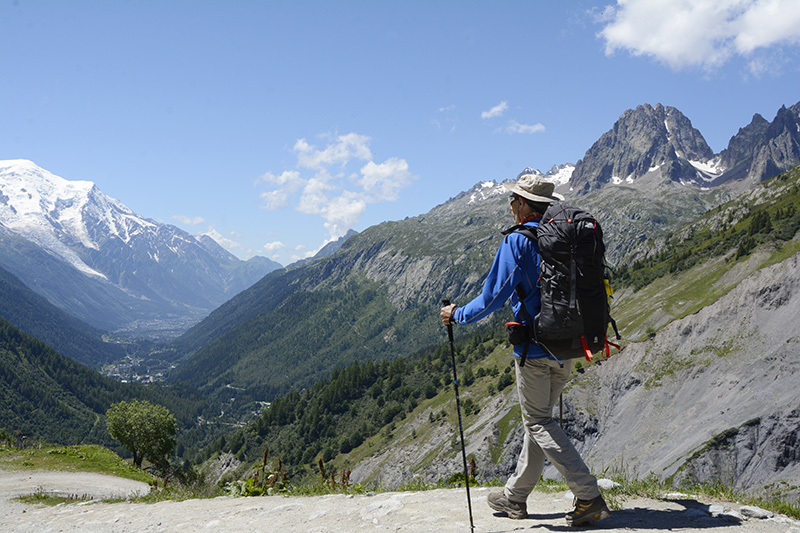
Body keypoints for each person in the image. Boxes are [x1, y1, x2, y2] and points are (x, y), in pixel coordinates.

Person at [439, 169, 610, 527]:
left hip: (533, 350)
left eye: (512, 201)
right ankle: (514, 497)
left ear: (521, 205)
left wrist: (456, 315)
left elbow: (491, 298)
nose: (510, 206)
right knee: (540, 421)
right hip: (566, 348)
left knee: (538, 421)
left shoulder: (518, 241)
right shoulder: (564, 239)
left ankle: (589, 495)